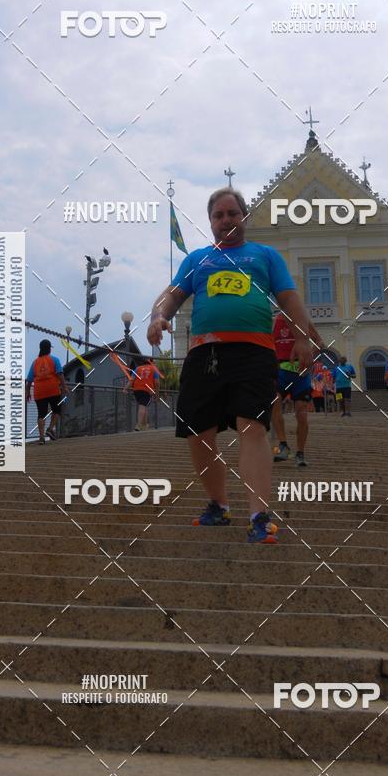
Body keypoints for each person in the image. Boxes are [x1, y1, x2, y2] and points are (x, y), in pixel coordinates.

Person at [146, 187, 312, 543]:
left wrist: (301, 338)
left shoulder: (265, 256)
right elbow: (171, 296)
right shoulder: (198, 259)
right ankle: (219, 505)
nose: (226, 220)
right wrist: (158, 317)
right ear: (210, 222)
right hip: (204, 354)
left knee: (252, 427)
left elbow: (288, 298)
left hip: (254, 353)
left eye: (232, 213)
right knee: (198, 433)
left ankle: (258, 515)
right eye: (218, 215)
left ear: (244, 217)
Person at [272, 312, 325, 467]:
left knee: (301, 415)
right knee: (274, 403)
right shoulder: (273, 322)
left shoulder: (302, 320)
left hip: (301, 374)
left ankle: (300, 453)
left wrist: (309, 358)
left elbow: (320, 343)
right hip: (280, 372)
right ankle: (283, 446)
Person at [25, 339, 68, 444]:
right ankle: (50, 429)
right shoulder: (55, 360)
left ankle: (41, 438)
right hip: (53, 390)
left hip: (39, 391)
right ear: (49, 349)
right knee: (56, 410)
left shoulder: (35, 362)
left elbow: (29, 380)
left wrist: (27, 392)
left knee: (41, 414)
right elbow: (60, 374)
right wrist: (64, 387)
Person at [129, 358, 160, 430]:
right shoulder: (154, 369)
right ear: (151, 363)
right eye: (154, 363)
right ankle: (139, 425)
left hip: (136, 390)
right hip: (146, 390)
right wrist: (157, 395)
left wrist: (125, 388)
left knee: (144, 406)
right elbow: (157, 383)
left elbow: (131, 380)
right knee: (142, 406)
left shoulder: (138, 368)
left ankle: (145, 425)